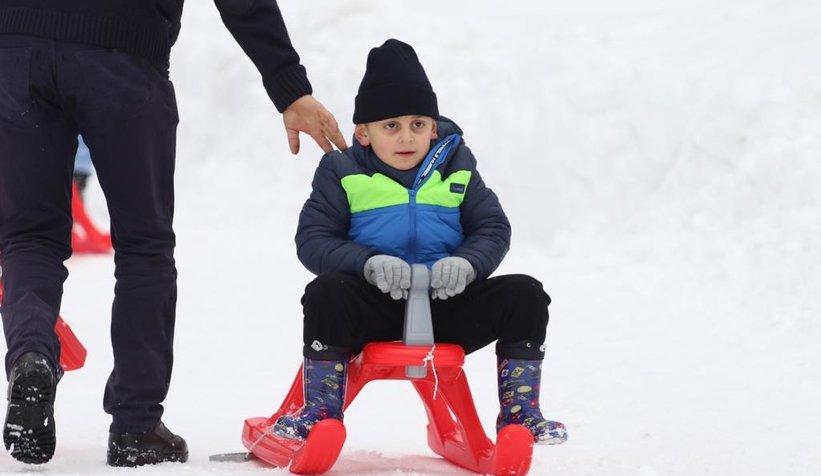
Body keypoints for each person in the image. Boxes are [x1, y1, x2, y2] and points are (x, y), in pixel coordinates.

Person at [0, 0, 347, 467]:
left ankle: (31, 356)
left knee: (29, 237)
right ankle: (135, 425)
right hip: (121, 52)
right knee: (144, 246)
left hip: (17, 49)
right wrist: (288, 86)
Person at [272, 39, 567, 446]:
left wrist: (467, 264)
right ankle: (319, 415)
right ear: (363, 132)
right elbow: (313, 239)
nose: (406, 137)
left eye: (418, 124)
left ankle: (522, 415)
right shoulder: (343, 172)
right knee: (326, 293)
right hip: (374, 304)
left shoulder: (456, 167)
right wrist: (367, 262)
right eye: (390, 126)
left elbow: (493, 227)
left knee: (526, 294)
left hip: (446, 302)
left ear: (432, 126)